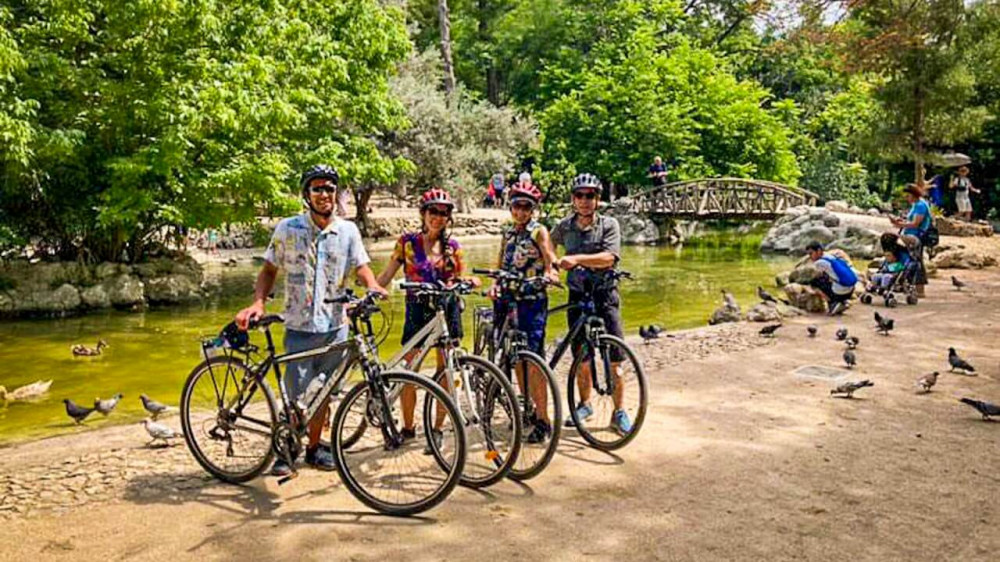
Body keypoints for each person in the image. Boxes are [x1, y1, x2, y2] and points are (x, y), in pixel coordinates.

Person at [235, 164, 387, 476]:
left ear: (336, 194)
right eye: (317, 188)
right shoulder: (287, 229)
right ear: (307, 194)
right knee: (296, 398)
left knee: (325, 394)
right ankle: (287, 451)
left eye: (329, 189)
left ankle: (315, 448)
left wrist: (372, 285)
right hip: (299, 326)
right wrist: (259, 302)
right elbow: (268, 270)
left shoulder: (348, 231)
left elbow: (361, 266)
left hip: (335, 327)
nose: (324, 194)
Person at [376, 188, 479, 448]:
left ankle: (437, 429)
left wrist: (471, 281)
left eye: (444, 213)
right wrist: (372, 293)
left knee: (446, 369)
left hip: (447, 310)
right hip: (417, 310)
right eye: (433, 211)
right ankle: (409, 428)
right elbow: (387, 274)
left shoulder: (453, 247)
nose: (438, 217)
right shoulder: (407, 243)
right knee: (410, 370)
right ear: (423, 214)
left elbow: (459, 278)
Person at [550, 172, 631, 436]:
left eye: (590, 196)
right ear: (573, 199)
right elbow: (548, 243)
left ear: (598, 199)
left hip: (605, 296)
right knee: (582, 358)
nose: (584, 201)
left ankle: (619, 412)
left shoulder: (609, 225)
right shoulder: (565, 226)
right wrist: (552, 265)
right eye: (579, 196)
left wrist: (576, 260)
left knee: (615, 360)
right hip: (578, 296)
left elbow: (609, 257)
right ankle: (585, 405)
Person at [487, 182, 559, 443]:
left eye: (526, 206)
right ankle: (526, 409)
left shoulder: (539, 232)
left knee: (533, 360)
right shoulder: (507, 233)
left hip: (531, 301)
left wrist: (550, 275)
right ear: (511, 207)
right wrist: (494, 286)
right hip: (508, 301)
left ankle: (543, 419)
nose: (520, 211)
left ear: (533, 209)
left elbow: (551, 260)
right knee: (516, 358)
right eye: (516, 205)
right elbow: (499, 264)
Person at [891, 183, 931, 297]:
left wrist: (900, 225)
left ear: (913, 195)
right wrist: (901, 221)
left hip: (916, 237)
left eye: (908, 196)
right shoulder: (915, 205)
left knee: (916, 261)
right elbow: (910, 219)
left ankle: (920, 289)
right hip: (909, 235)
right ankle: (903, 282)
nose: (906, 198)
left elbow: (915, 223)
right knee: (906, 258)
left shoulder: (920, 205)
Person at [805, 241, 858, 316]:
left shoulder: (819, 263)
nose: (810, 256)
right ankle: (842, 302)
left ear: (819, 251)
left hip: (840, 292)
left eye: (811, 253)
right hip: (851, 290)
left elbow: (816, 275)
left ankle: (833, 303)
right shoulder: (830, 256)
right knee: (828, 279)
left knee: (814, 282)